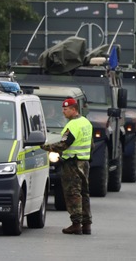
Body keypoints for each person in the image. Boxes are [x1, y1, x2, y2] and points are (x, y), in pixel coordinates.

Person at [41, 97, 93, 235]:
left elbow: (63, 145)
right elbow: (91, 144)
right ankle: (87, 224)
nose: (63, 112)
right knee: (84, 192)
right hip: (84, 162)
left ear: (73, 109)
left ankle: (76, 224)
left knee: (72, 193)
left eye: (66, 109)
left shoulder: (73, 125)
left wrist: (45, 147)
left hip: (72, 163)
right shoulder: (86, 122)